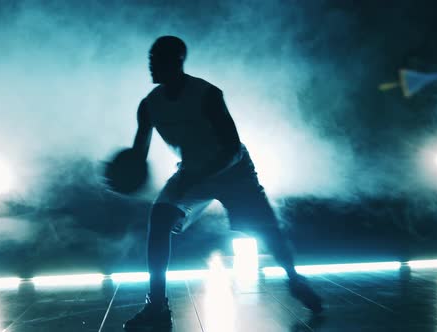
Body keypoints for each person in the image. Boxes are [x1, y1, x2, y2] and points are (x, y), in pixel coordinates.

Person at [122, 36, 322, 330]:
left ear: (177, 62)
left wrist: (193, 176)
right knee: (160, 218)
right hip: (192, 173)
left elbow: (231, 149)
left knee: (267, 232)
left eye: (158, 59)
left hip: (233, 172)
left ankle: (295, 280)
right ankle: (157, 307)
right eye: (150, 59)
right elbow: (138, 157)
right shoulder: (149, 106)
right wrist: (126, 175)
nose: (151, 64)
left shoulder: (207, 94)